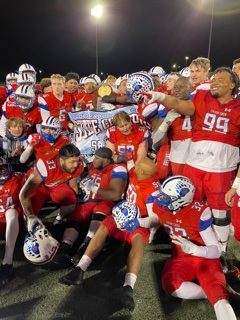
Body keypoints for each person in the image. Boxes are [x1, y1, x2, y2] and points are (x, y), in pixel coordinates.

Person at [143, 67, 240, 262]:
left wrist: (237, 184)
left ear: (232, 85)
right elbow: (180, 104)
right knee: (186, 206)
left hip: (222, 170)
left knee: (220, 213)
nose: (214, 82)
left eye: (220, 79)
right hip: (194, 166)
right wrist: (160, 96)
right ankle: (188, 245)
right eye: (213, 79)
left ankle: (219, 252)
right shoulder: (203, 97)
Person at [124, 175, 238, 320]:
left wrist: (196, 250)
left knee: (220, 300)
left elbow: (216, 250)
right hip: (181, 256)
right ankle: (216, 290)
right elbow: (156, 219)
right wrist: (138, 222)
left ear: (181, 199)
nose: (161, 200)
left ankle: (218, 292)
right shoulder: (162, 207)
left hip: (205, 258)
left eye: (166, 198)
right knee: (170, 285)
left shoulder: (198, 213)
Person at [59, 157, 161, 312]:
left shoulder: (153, 191)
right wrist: (125, 158)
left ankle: (128, 286)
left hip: (139, 222)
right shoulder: (136, 172)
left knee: (138, 241)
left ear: (143, 172)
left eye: (138, 168)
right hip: (122, 214)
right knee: (104, 225)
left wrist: (139, 223)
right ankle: (80, 269)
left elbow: (156, 219)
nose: (135, 169)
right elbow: (131, 165)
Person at [50, 147, 127, 268]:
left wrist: (94, 188)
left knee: (100, 210)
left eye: (97, 158)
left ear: (106, 160)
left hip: (108, 202)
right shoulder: (92, 167)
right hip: (91, 200)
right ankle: (65, 247)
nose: (94, 160)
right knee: (77, 214)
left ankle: (84, 247)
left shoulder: (117, 169)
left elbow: (115, 194)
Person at [19, 144, 85, 224]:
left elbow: (73, 185)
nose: (75, 165)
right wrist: (31, 217)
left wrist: (75, 203)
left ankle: (59, 219)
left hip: (56, 185)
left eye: (77, 161)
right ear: (61, 160)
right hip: (39, 186)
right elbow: (24, 195)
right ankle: (28, 229)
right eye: (72, 162)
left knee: (72, 202)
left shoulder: (78, 164)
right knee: (29, 212)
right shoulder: (45, 164)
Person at [153, 76, 193, 175]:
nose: (177, 90)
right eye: (175, 87)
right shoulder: (166, 108)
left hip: (198, 156)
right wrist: (166, 122)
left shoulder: (198, 104)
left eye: (182, 87)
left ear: (191, 89)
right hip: (178, 155)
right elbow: (155, 140)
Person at [0, 156, 26, 288]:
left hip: (14, 222)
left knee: (11, 212)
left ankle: (7, 262)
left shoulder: (19, 178)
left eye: (3, 168)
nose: (2, 172)